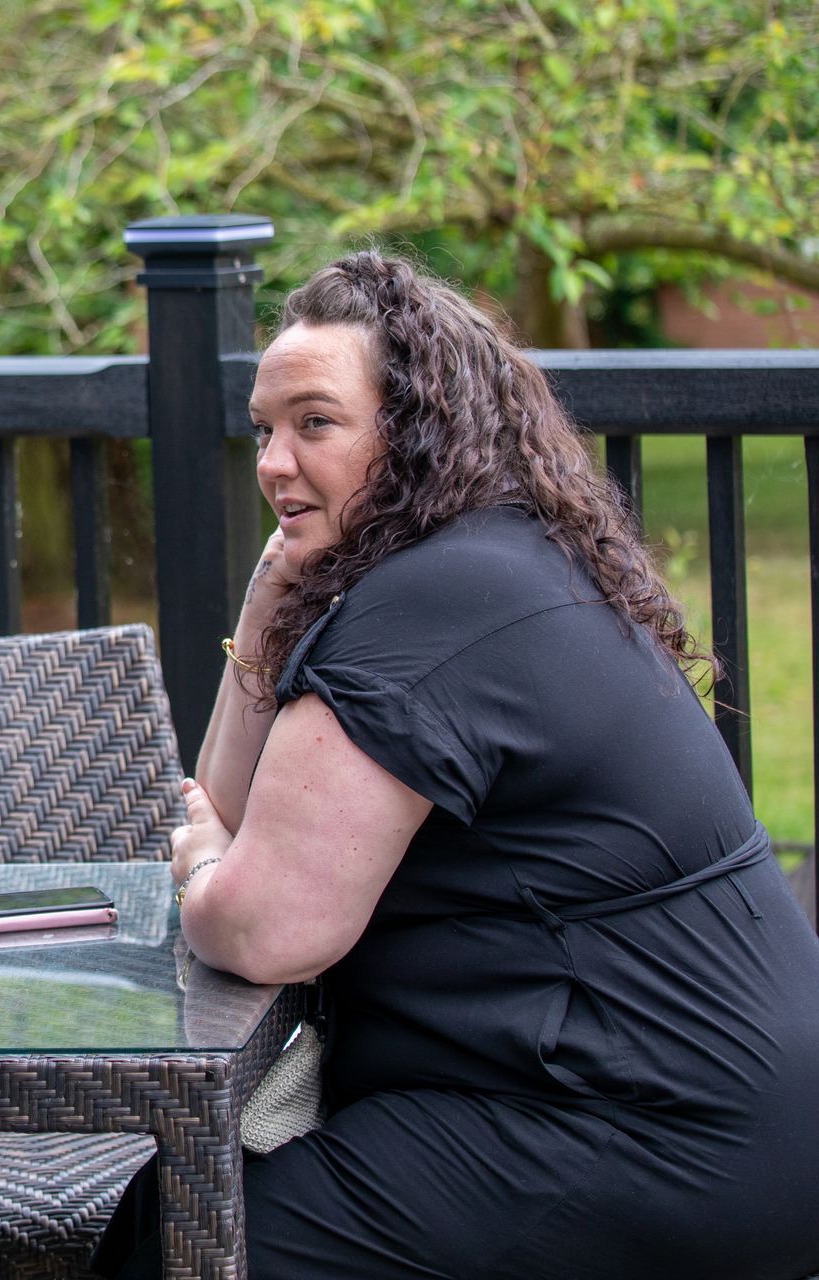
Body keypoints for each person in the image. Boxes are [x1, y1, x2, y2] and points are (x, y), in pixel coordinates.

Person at [96, 251, 819, 1278]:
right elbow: (227, 805)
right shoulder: (495, 558)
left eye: (315, 422)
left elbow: (265, 927)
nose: (272, 459)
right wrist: (268, 597)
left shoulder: (429, 611)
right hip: (694, 1110)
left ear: (419, 426)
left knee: (177, 1237)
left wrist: (209, 869)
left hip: (650, 1130)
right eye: (263, 428)